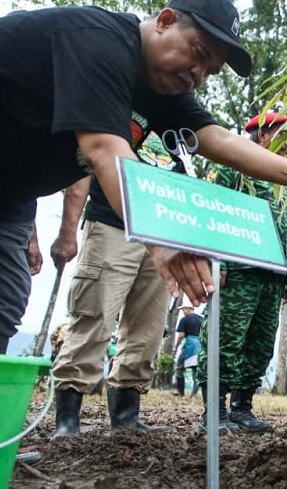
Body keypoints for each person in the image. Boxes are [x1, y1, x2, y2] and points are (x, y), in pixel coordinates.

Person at [0, 0, 287, 354]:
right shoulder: (99, 41)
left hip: (3, 190)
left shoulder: (159, 89)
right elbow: (104, 149)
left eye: (210, 71)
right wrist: (160, 239)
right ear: (165, 21)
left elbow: (215, 137)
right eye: (199, 54)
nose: (198, 76)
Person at [51, 132, 179, 437]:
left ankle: (125, 418)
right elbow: (83, 169)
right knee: (94, 319)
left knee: (147, 330)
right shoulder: (118, 114)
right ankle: (67, 420)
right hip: (111, 225)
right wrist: (68, 230)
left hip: (161, 233)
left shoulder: (178, 127)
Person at [197, 112, 287, 434]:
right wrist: (217, 261)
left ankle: (242, 408)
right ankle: (214, 411)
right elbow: (211, 209)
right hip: (239, 271)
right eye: (281, 134)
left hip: (273, 275)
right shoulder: (233, 167)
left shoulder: (284, 178)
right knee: (225, 339)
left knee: (260, 345)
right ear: (262, 135)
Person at [173, 302, 202, 397]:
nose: (182, 311)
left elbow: (181, 335)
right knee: (196, 370)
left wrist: (175, 348)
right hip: (200, 345)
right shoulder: (201, 319)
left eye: (183, 309)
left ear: (188, 308)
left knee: (179, 368)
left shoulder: (184, 319)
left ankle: (181, 392)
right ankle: (194, 394)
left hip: (190, 345)